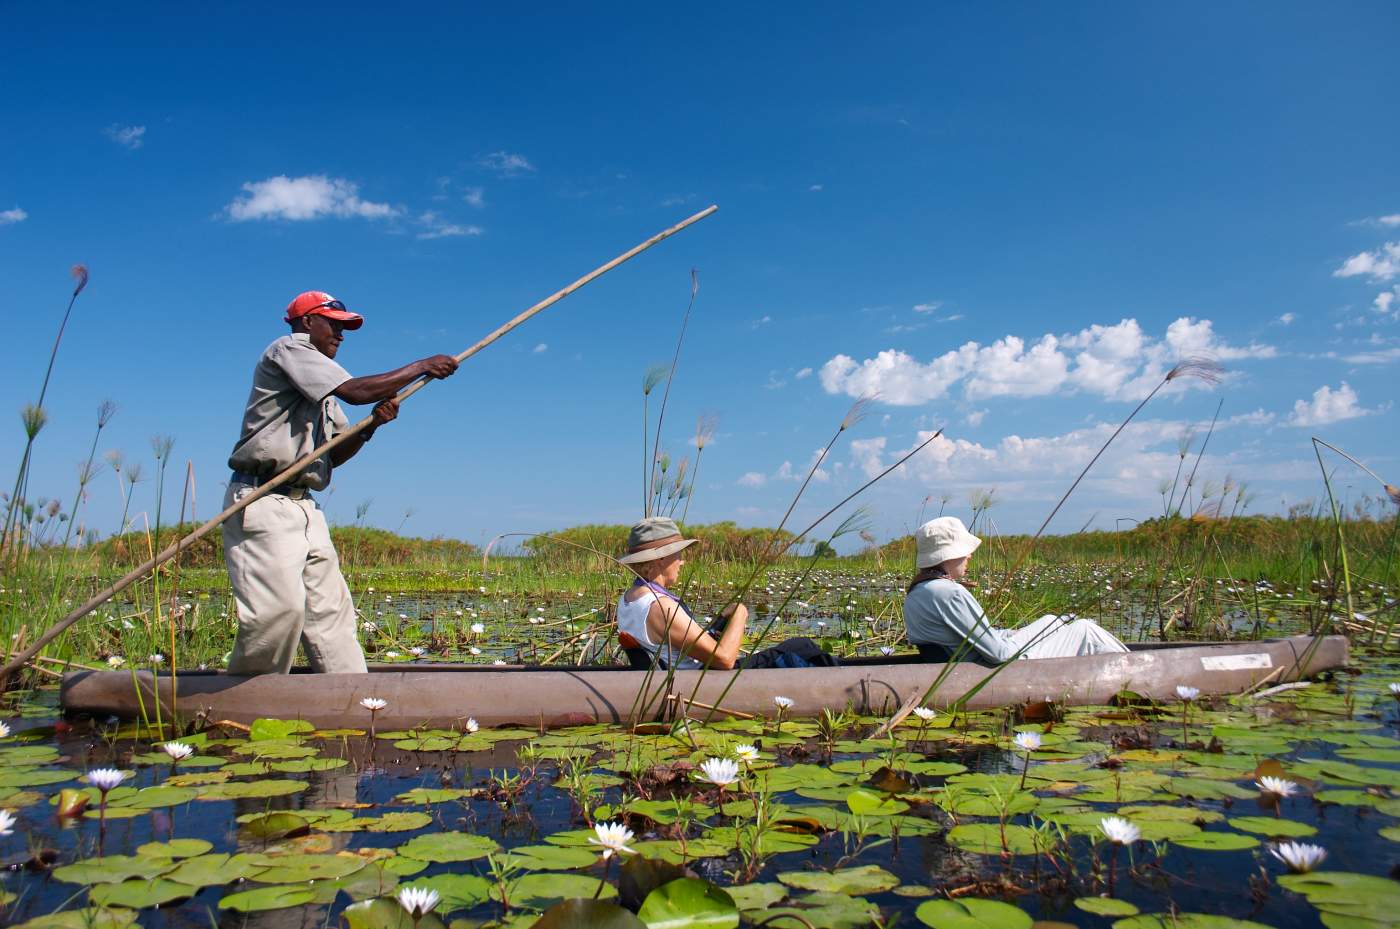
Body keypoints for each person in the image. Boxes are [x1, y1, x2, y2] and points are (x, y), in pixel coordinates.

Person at [223, 291, 458, 675]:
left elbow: (332, 456)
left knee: (330, 614)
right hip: (263, 498)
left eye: (345, 327)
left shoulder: (323, 395)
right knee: (278, 613)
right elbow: (356, 391)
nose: (341, 335)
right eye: (335, 325)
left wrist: (371, 428)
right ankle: (251, 693)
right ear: (307, 323)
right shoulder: (288, 350)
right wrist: (422, 365)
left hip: (304, 506)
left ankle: (351, 695)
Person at [615, 517, 836, 670]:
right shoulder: (662, 608)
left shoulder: (628, 599)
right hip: (704, 680)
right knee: (801, 647)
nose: (682, 561)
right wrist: (740, 614)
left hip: (688, 673)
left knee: (801, 648)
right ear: (660, 559)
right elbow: (724, 660)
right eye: (678, 555)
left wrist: (718, 626)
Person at [903, 516, 1128, 665]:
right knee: (1085, 629)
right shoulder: (949, 593)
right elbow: (1000, 654)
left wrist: (1016, 633)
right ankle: (1136, 675)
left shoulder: (917, 592)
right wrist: (1037, 630)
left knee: (1052, 620)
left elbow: (965, 640)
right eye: (966, 550)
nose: (970, 555)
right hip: (992, 672)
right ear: (950, 554)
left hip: (963, 665)